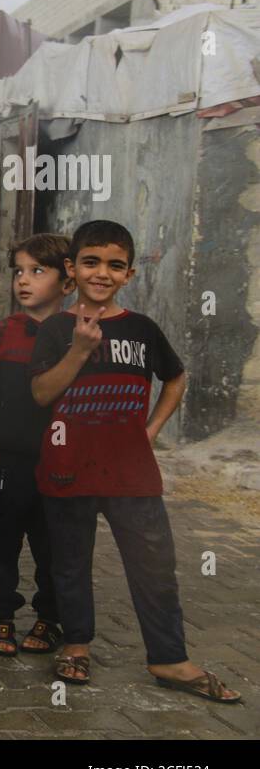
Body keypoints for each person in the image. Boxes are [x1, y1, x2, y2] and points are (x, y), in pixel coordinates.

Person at [30, 220, 240, 703]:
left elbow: (176, 378)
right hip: (67, 468)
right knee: (70, 564)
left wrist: (151, 431)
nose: (102, 272)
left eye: (115, 265)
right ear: (72, 268)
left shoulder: (142, 330)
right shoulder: (58, 329)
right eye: (91, 262)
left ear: (128, 274)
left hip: (131, 473)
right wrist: (80, 350)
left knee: (154, 565)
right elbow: (41, 393)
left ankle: (169, 658)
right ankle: (77, 646)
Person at [0, 233, 72, 658]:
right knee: (0, 540)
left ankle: (50, 618)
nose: (24, 280)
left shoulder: (79, 334)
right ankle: (2, 616)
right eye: (18, 271)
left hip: (59, 461)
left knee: (54, 544)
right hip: (7, 459)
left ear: (67, 282)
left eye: (37, 271)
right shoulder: (3, 332)